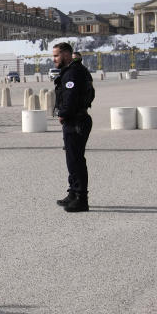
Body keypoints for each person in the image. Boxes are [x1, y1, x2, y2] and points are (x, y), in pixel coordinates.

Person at [53, 42, 94, 213]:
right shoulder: (75, 70)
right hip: (77, 119)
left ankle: (81, 198)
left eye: (56, 56)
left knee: (76, 160)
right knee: (72, 159)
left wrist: (63, 114)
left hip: (76, 120)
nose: (54, 59)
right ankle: (73, 192)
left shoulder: (72, 73)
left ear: (66, 54)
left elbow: (70, 98)